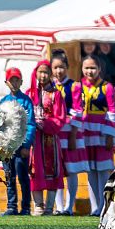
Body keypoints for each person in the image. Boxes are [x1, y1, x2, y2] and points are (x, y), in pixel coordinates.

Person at [69, 54, 115, 215]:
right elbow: (76, 109)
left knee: (103, 170)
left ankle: (105, 207)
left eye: (93, 68)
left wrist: (111, 136)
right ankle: (95, 207)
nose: (90, 71)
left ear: (99, 69)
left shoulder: (107, 87)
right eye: (87, 68)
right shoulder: (77, 86)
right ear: (82, 69)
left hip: (102, 132)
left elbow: (112, 111)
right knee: (90, 170)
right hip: (84, 132)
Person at [28, 59, 67, 215]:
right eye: (40, 72)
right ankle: (38, 205)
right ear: (35, 73)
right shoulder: (29, 93)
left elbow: (61, 117)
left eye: (46, 72)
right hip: (34, 138)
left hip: (49, 138)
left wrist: (45, 125)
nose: (43, 75)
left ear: (50, 74)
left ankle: (50, 207)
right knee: (34, 169)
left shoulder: (56, 94)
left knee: (52, 170)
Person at [0, 66, 36, 215]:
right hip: (7, 147)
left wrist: (26, 144)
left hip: (21, 147)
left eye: (17, 80)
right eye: (11, 80)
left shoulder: (26, 101)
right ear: (6, 82)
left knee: (22, 177)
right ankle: (11, 206)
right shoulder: (3, 101)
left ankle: (26, 207)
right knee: (9, 177)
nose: (14, 83)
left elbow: (30, 124)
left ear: (21, 82)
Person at [50, 53, 80, 214]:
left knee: (71, 170)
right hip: (54, 132)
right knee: (57, 169)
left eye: (62, 67)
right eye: (55, 67)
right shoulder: (48, 87)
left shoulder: (74, 86)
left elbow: (78, 110)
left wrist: (73, 134)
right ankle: (59, 207)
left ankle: (69, 206)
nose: (59, 71)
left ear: (67, 67)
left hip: (69, 132)